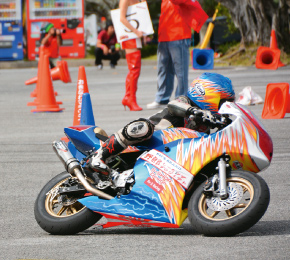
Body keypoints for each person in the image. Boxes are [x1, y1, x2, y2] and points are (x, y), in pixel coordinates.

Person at [88, 73, 235, 184]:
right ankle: (100, 156)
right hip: (145, 142)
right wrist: (195, 112)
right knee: (144, 127)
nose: (224, 107)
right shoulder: (185, 102)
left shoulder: (206, 126)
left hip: (165, 160)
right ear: (207, 94)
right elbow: (173, 105)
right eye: (222, 102)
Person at [147, 0, 209, 109]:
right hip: (165, 36)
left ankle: (181, 98)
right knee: (163, 70)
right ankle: (162, 98)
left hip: (179, 35)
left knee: (180, 71)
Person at [119, 0, 145, 111]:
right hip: (129, 36)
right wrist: (136, 31)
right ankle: (131, 99)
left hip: (134, 36)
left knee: (134, 70)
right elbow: (122, 18)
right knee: (134, 69)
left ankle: (128, 97)